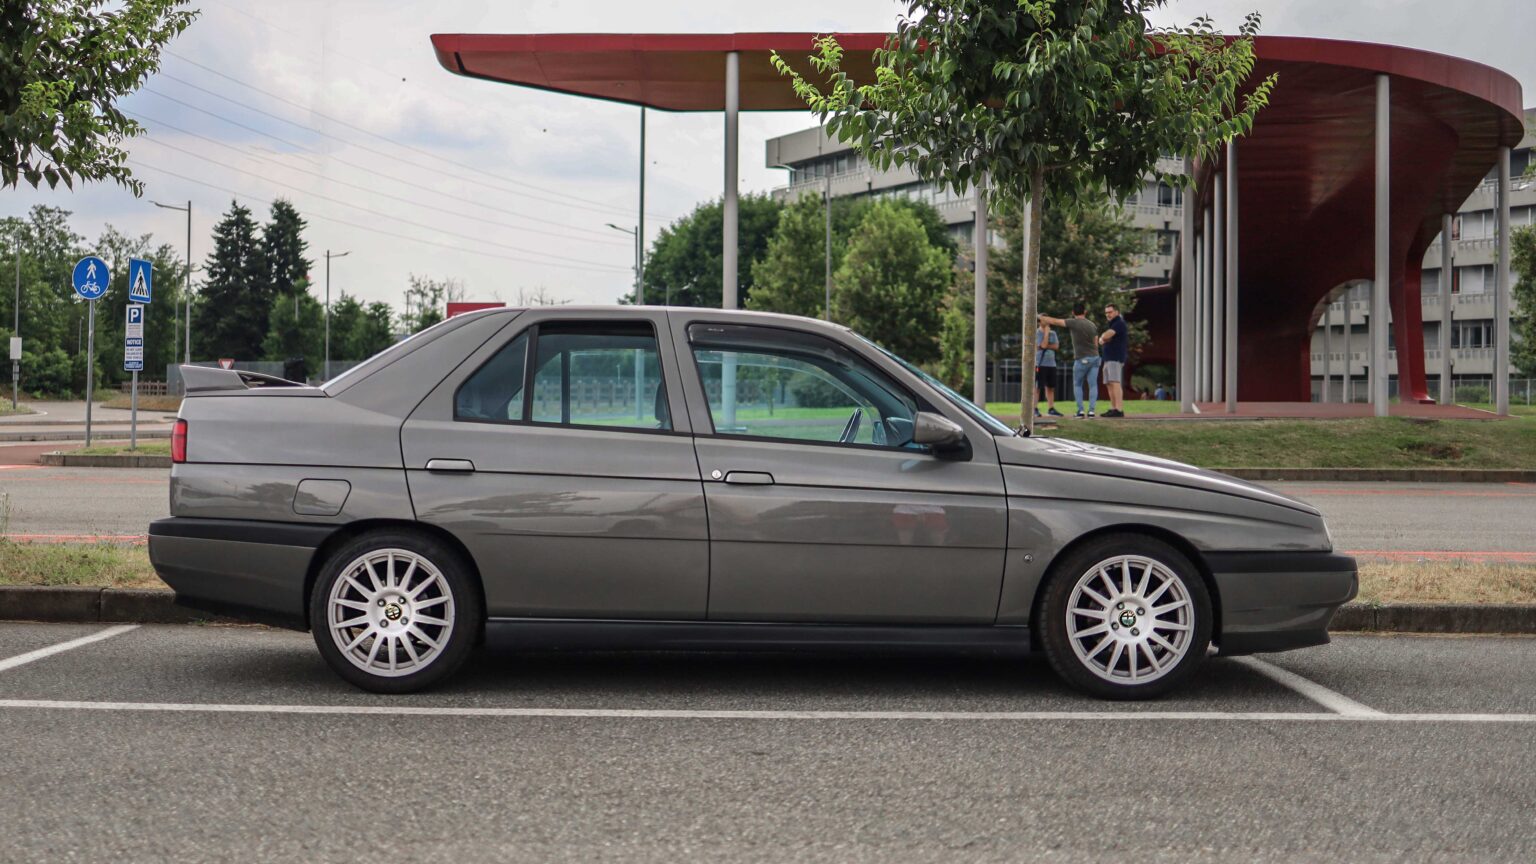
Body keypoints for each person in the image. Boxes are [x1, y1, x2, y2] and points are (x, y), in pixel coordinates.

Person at [1039, 303, 1100, 418]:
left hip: (1081, 358)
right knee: (1093, 385)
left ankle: (1080, 411)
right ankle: (1091, 411)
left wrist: (1040, 317)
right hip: (1095, 357)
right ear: (1085, 312)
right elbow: (1096, 343)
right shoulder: (1092, 325)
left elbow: (1055, 321)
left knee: (1077, 384)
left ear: (1073, 313)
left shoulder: (1073, 322)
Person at [1098, 302, 1130, 417]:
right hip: (1108, 358)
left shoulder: (1119, 323)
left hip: (1115, 357)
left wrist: (1103, 337)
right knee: (1108, 383)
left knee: (1115, 382)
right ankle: (1113, 408)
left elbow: (1106, 336)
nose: (1108, 314)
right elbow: (1107, 337)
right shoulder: (1112, 324)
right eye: (1106, 313)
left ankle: (1119, 409)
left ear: (1116, 312)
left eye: (1110, 312)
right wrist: (1105, 337)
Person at [1034, 322, 1062, 418]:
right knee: (1037, 387)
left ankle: (1051, 408)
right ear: (1040, 322)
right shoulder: (1036, 333)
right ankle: (1034, 408)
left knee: (1050, 387)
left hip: (1051, 364)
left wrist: (1045, 346)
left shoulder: (1053, 333)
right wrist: (1046, 334)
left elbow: (1056, 346)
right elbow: (1042, 345)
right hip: (1040, 363)